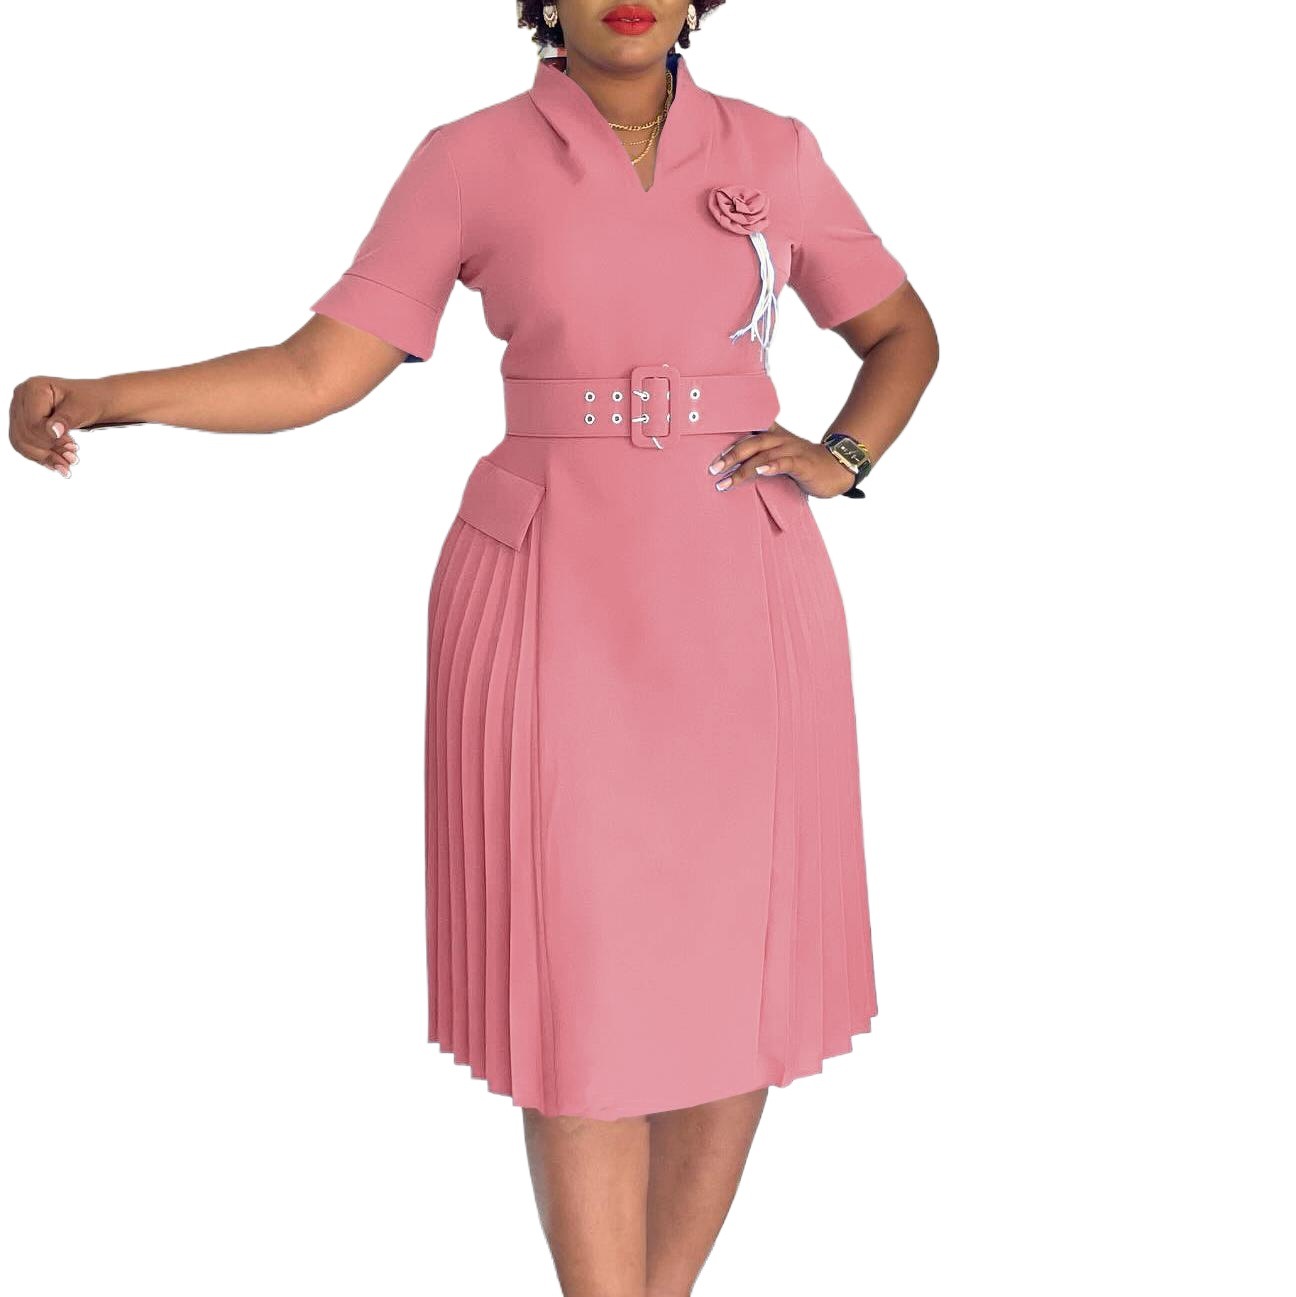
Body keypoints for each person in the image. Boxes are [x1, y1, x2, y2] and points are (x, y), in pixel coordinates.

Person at [10, 1, 939, 1292]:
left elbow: (903, 333)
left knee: (734, 970)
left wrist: (842, 456)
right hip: (554, 595)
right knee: (580, 988)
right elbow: (315, 370)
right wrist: (110, 398)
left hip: (743, 593)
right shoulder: (468, 157)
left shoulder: (775, 150)